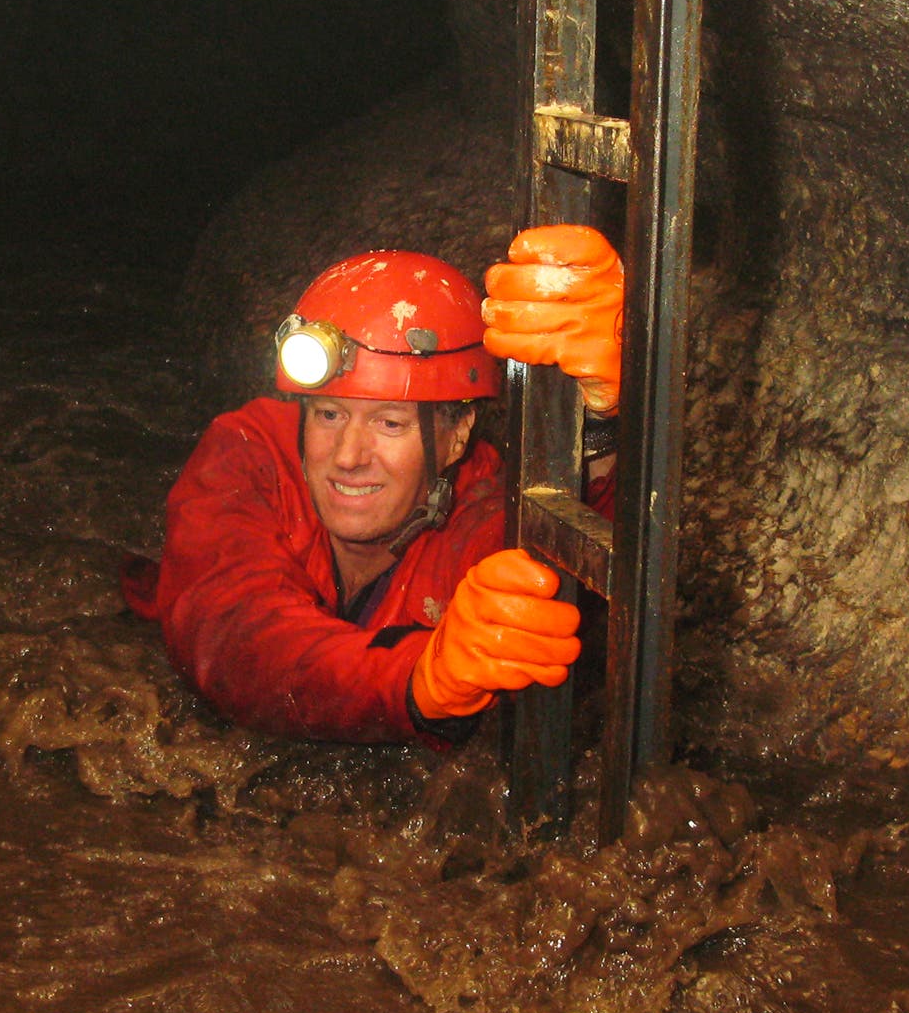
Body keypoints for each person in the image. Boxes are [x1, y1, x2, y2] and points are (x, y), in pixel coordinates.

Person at [122, 225, 625, 744]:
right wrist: (417, 681)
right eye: (329, 414)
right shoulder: (249, 454)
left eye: (390, 423)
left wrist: (607, 425)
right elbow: (231, 632)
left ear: (456, 436)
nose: (348, 457)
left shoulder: (479, 509)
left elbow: (566, 566)